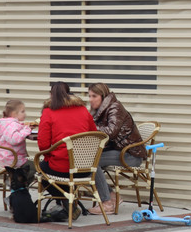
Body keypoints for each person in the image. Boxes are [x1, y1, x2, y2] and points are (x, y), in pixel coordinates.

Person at [38, 81, 97, 220]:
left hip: (61, 168)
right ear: (69, 93)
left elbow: (43, 145)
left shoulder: (48, 112)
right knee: (51, 166)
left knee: (41, 170)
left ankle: (66, 203)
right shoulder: (83, 109)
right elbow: (94, 134)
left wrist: (51, 154)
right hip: (85, 168)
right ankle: (68, 204)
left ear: (51, 95)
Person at [86, 83, 146, 215]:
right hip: (118, 150)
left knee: (90, 161)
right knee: (86, 159)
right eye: (89, 96)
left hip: (131, 154)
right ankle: (112, 196)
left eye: (94, 96)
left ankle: (107, 203)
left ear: (103, 96)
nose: (90, 99)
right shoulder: (100, 110)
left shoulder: (115, 107)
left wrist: (88, 127)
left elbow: (111, 132)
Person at [0, 99, 35, 184]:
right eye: (22, 111)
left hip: (8, 157)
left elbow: (13, 133)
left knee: (32, 165)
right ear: (14, 114)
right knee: (35, 167)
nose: (25, 114)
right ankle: (16, 183)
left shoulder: (8, 124)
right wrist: (27, 130)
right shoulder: (12, 125)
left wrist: (24, 127)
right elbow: (14, 139)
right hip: (13, 159)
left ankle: (19, 185)